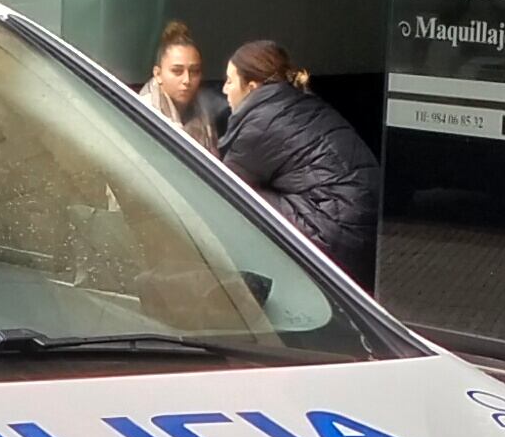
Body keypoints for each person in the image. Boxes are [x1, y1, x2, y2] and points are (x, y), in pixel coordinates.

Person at [215, 39, 378, 279]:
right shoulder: (298, 103)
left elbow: (222, 190)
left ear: (251, 87)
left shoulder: (261, 123)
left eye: (230, 81)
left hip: (335, 233)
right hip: (369, 231)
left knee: (237, 197)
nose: (224, 89)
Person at [140, 19, 226, 150]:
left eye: (194, 71)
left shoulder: (204, 106)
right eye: (177, 71)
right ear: (158, 74)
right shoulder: (144, 113)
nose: (187, 80)